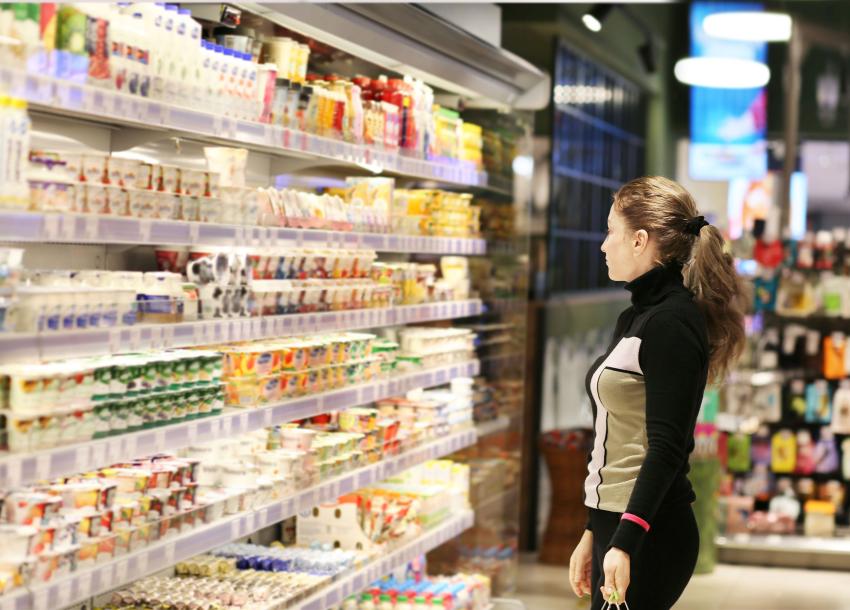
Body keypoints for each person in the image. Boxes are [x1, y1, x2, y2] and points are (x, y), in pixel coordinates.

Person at [568, 176, 747, 610]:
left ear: (640, 240)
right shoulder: (636, 317)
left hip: (649, 530)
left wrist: (626, 541)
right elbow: (618, 437)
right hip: (618, 522)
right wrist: (595, 528)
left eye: (611, 231)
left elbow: (667, 447)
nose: (603, 245)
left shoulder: (671, 324)